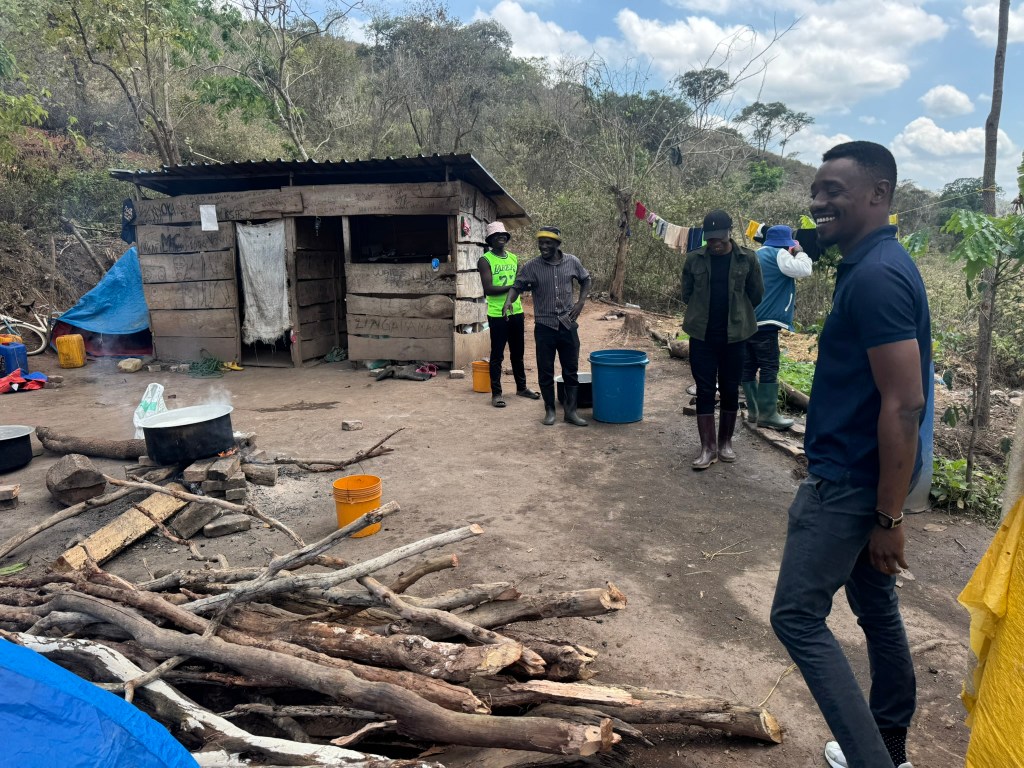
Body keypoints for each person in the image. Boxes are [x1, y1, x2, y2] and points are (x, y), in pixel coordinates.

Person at [769, 141, 930, 768]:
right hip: (867, 477)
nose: (818, 202)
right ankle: (888, 742)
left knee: (796, 617)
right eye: (816, 190)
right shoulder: (872, 263)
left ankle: (872, 760)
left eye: (833, 190)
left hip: (849, 484)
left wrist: (888, 517)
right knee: (875, 605)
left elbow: (905, 404)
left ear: (879, 194)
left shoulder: (877, 277)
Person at [680, 209, 763, 469]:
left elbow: (756, 294)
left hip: (735, 337)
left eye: (720, 237)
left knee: (729, 388)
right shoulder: (694, 259)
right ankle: (708, 448)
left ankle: (725, 442)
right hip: (702, 336)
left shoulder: (747, 259)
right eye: (711, 238)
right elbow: (687, 293)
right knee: (705, 389)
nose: (716, 243)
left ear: (730, 233)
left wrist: (737, 315)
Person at [503, 226, 591, 427]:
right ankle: (550, 410)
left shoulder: (572, 262)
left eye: (548, 243)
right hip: (544, 326)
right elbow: (517, 286)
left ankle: (570, 412)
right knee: (545, 370)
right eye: (541, 243)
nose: (543, 246)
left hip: (568, 324)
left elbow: (586, 280)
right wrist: (508, 301)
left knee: (571, 370)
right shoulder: (532, 266)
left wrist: (580, 303)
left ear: (557, 244)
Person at [741, 224, 813, 430]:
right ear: (785, 243)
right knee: (769, 365)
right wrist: (799, 251)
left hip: (749, 320)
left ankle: (754, 412)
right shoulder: (779, 254)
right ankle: (768, 414)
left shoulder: (756, 255)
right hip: (767, 322)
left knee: (749, 366)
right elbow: (804, 269)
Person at [478, 221, 539, 407]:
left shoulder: (513, 258)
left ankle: (521, 387)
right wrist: (514, 287)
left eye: (503, 234)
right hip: (497, 313)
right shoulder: (485, 260)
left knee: (518, 352)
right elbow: (488, 289)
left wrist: (518, 287)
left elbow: (520, 283)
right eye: (496, 235)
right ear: (490, 239)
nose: (501, 237)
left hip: (516, 311)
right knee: (497, 354)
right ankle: (497, 393)